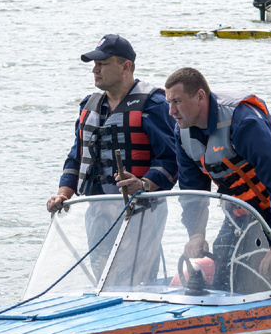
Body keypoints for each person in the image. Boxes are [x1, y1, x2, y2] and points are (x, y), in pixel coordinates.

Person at [164, 67, 271, 279]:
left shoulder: (244, 123)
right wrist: (196, 234)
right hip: (242, 206)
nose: (171, 111)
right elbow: (192, 191)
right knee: (223, 272)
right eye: (169, 102)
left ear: (200, 96)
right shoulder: (182, 132)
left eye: (177, 101)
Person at [48, 34, 178, 213]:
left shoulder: (153, 105)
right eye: (95, 64)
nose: (95, 69)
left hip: (142, 210)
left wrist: (143, 184)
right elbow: (77, 156)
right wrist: (63, 194)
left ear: (126, 67)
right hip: (95, 209)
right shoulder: (88, 106)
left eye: (102, 63)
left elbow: (171, 159)